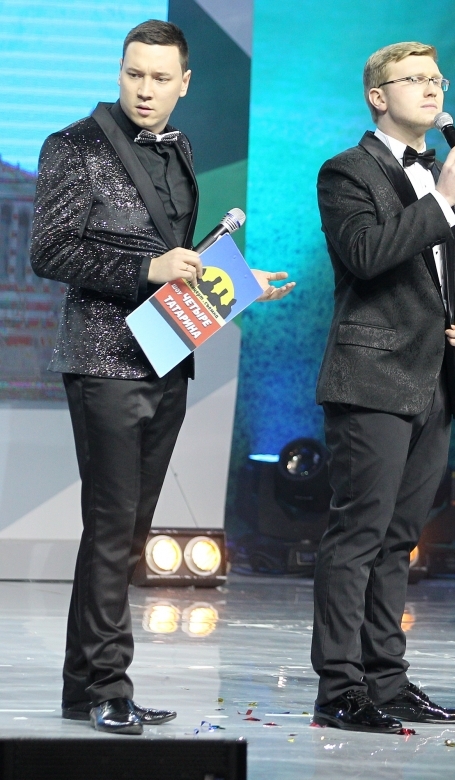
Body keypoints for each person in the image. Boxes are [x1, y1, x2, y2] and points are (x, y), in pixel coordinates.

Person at [30, 20, 292, 735]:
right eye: (133, 74)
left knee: (127, 531)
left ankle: (85, 687)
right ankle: (108, 684)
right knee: (112, 526)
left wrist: (238, 282)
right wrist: (146, 268)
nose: (144, 90)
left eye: (159, 78)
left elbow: (181, 258)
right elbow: (50, 251)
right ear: (120, 72)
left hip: (167, 351)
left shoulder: (180, 149)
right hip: (103, 359)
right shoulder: (73, 145)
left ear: (184, 84)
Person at [311, 41, 455, 734]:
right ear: (377, 97)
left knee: (399, 539)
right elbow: (365, 254)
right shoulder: (346, 171)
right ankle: (339, 687)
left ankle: (386, 678)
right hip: (371, 377)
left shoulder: (439, 177)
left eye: (437, 78)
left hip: (432, 380)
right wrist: (442, 197)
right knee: (357, 534)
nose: (431, 88)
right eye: (414, 79)